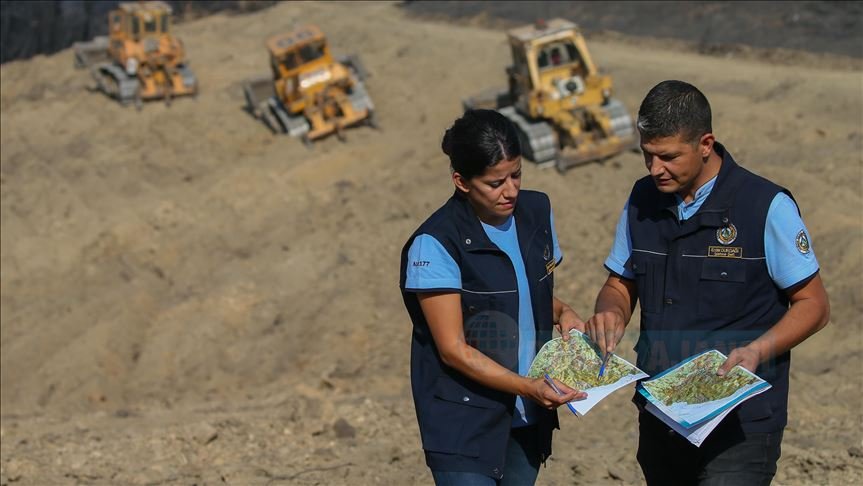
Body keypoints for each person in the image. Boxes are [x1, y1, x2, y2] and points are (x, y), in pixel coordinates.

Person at [581, 80, 830, 485]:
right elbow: (619, 282)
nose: (654, 168)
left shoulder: (765, 206)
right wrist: (611, 311)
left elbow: (814, 305)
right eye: (647, 155)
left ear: (705, 143)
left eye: (668, 156)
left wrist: (755, 352)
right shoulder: (642, 200)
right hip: (661, 414)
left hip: (741, 425)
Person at [399, 109, 587, 485]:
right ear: (461, 181)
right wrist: (528, 387)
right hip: (464, 422)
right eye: (495, 182)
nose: (511, 190)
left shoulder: (536, 211)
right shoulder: (435, 243)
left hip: (527, 417)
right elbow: (453, 348)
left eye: (516, 175)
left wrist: (563, 311)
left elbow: (523, 290)